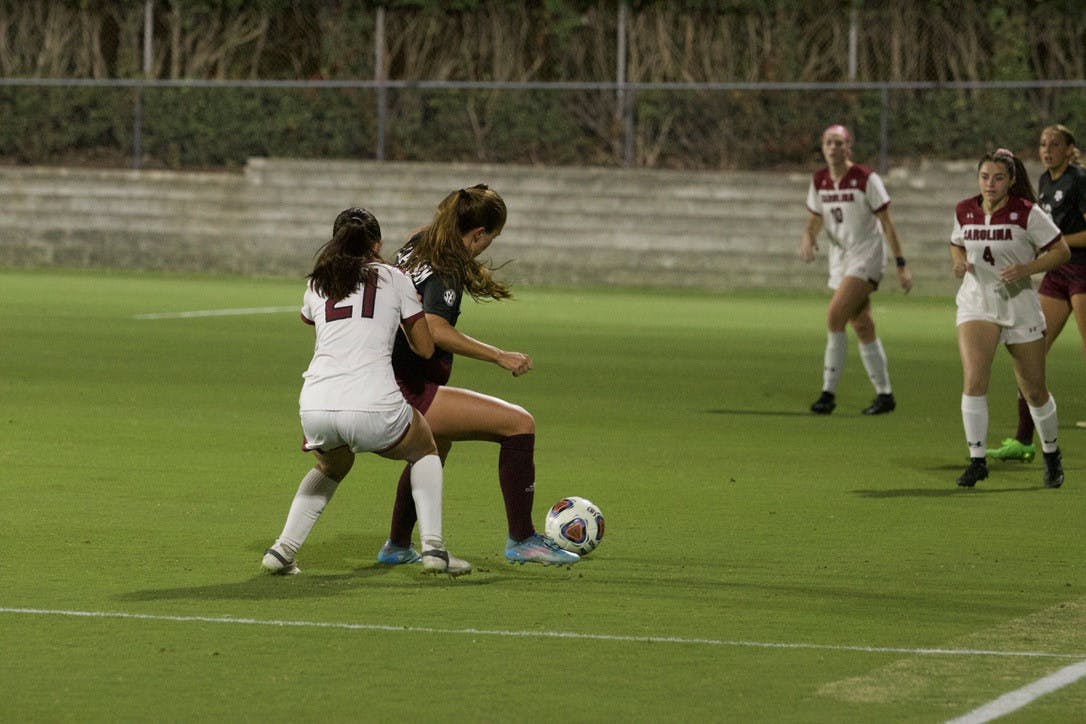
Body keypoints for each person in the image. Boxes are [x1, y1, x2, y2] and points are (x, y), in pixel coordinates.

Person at [375, 184, 580, 567]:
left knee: (434, 447)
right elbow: (435, 328)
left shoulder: (419, 242)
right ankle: (522, 539)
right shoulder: (447, 263)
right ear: (478, 234)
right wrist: (500, 356)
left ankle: (397, 546)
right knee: (519, 424)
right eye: (492, 238)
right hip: (407, 388)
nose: (488, 246)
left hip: (387, 375)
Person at [261, 207, 472, 576]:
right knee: (426, 448)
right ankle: (434, 549)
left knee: (333, 465)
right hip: (373, 401)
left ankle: (282, 550)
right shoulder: (395, 278)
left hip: (316, 403)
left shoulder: (317, 282)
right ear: (377, 244)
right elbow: (425, 349)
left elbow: (313, 322)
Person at [951, 149, 1070, 488]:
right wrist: (958, 261)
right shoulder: (965, 210)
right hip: (977, 302)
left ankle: (1051, 453)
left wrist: (1027, 269)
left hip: (1019, 306)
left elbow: (1061, 251)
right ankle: (977, 460)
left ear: (1011, 180)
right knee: (974, 381)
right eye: (984, 177)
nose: (990, 184)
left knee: (1034, 390)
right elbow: (956, 242)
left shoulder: (1027, 213)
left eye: (998, 178)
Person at [987, 125, 1086, 461]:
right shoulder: (1045, 180)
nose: (1047, 150)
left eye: (1055, 144)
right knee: (1032, 353)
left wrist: (1054, 242)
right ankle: (1024, 439)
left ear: (1069, 149)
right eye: (1043, 144)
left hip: (1082, 272)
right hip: (1057, 276)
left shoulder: (1079, 180)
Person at [800, 124, 913, 415]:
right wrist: (808, 236)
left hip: (867, 256)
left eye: (839, 143)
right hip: (839, 258)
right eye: (828, 142)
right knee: (862, 324)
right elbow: (815, 217)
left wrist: (901, 264)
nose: (833, 148)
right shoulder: (820, 181)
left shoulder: (865, 178)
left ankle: (827, 394)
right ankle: (885, 395)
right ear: (822, 147)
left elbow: (887, 223)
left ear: (849, 147)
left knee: (835, 315)